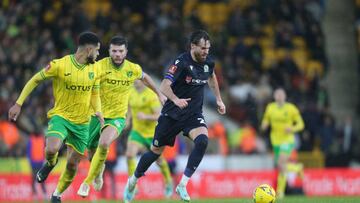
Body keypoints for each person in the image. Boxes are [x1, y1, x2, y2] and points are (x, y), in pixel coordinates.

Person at [123, 30, 226, 202]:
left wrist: (219, 100)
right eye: (202, 48)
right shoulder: (181, 62)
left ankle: (183, 184)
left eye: (208, 48)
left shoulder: (208, 62)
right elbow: (164, 86)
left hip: (193, 114)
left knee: (202, 141)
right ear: (193, 46)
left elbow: (211, 77)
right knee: (155, 152)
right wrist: (176, 100)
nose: (206, 51)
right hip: (171, 114)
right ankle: (133, 180)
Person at [8, 31, 103, 203]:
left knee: (73, 164)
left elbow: (95, 93)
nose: (98, 55)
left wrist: (98, 110)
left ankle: (56, 195)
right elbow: (35, 79)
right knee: (52, 149)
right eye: (97, 51)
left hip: (83, 123)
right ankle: (50, 163)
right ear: (89, 49)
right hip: (61, 117)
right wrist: (18, 103)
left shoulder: (95, 69)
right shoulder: (60, 65)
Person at [77, 36, 166, 197]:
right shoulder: (99, 66)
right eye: (114, 51)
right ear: (109, 51)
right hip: (96, 115)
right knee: (91, 151)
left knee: (104, 143)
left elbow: (145, 78)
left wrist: (159, 94)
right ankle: (98, 171)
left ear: (126, 52)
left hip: (117, 117)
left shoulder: (133, 69)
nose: (117, 54)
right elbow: (85, 80)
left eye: (120, 51)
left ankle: (86, 183)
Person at [126, 80, 173, 198]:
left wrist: (145, 116)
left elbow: (159, 115)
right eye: (134, 80)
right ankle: (133, 186)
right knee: (129, 155)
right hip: (137, 132)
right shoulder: (130, 92)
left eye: (138, 79)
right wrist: (127, 121)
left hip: (152, 133)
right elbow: (130, 108)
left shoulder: (151, 95)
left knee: (159, 161)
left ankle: (168, 181)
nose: (135, 82)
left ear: (143, 81)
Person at [260, 88, 304, 199]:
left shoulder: (291, 108)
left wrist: (292, 128)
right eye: (277, 94)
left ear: (285, 96)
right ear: (275, 96)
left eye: (281, 94)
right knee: (280, 166)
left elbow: (301, 124)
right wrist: (264, 124)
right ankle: (297, 168)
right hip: (275, 140)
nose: (279, 96)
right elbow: (266, 119)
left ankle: (280, 192)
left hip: (287, 140)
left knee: (281, 162)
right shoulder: (270, 108)